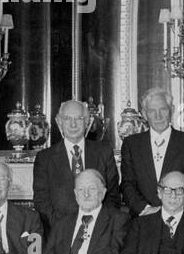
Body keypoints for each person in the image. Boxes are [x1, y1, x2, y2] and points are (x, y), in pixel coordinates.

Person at [32, 99, 120, 232]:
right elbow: (41, 202)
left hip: (100, 233)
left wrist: (100, 225)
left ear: (87, 122)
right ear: (59, 122)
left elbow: (113, 195)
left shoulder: (104, 152)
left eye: (79, 118)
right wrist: (63, 228)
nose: (73, 124)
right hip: (59, 234)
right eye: (67, 118)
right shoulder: (45, 158)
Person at [120, 87, 184, 217]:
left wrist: (167, 211)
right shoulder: (131, 144)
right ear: (145, 114)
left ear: (172, 110)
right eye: (152, 111)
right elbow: (127, 184)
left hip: (180, 218)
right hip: (142, 219)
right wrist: (146, 210)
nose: (158, 116)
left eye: (163, 109)